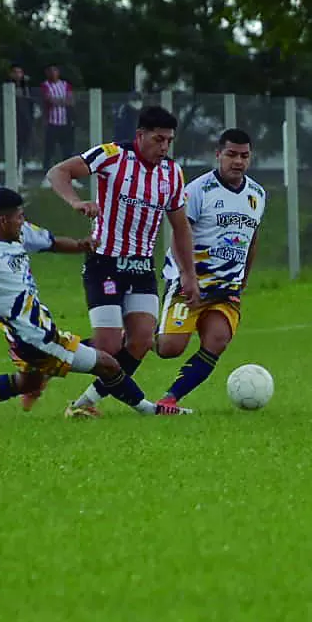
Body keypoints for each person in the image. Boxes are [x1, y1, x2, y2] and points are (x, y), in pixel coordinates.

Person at [0, 187, 192, 420]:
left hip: (32, 334)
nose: (22, 220)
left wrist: (80, 245)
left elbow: (52, 242)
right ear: (3, 221)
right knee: (108, 363)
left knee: (27, 383)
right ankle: (149, 410)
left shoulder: (21, 234)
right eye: (18, 216)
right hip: (34, 339)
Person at [47, 105, 201, 418]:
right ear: (140, 135)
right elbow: (58, 172)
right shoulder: (113, 155)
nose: (164, 147)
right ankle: (44, 356)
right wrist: (76, 201)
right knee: (107, 345)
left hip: (142, 266)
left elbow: (181, 227)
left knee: (142, 340)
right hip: (105, 261)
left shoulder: (172, 173)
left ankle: (85, 403)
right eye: (158, 139)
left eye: (169, 141)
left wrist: (189, 274)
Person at [154, 128, 266, 410]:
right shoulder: (198, 190)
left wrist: (244, 278)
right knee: (169, 348)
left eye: (244, 156)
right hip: (191, 281)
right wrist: (185, 275)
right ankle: (134, 337)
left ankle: (170, 398)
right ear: (218, 155)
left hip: (227, 286)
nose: (237, 161)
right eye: (231, 155)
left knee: (217, 339)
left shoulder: (257, 194)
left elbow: (252, 239)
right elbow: (180, 233)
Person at [41, 64, 76, 167]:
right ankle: (47, 174)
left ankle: (69, 174)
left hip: (65, 122)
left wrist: (57, 100)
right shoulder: (45, 85)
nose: (53, 73)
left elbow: (71, 101)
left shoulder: (65, 85)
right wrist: (63, 101)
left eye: (55, 70)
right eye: (50, 71)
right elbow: (48, 99)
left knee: (67, 150)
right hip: (52, 122)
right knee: (49, 150)